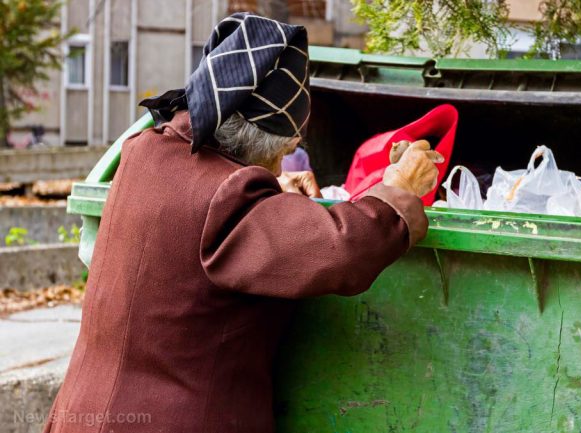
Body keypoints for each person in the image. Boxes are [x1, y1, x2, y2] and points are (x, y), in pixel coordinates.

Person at [43, 13, 440, 433]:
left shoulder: (142, 151)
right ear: (274, 144)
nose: (284, 162)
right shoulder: (230, 199)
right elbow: (344, 249)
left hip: (83, 414)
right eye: (288, 149)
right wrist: (398, 186)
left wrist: (269, 191)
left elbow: (196, 213)